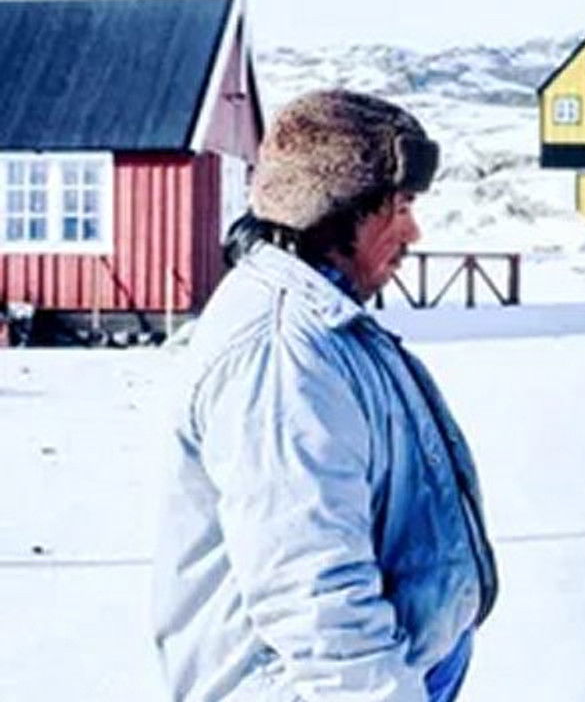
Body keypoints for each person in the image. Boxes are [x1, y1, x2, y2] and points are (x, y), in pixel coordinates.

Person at [152, 89, 498, 701]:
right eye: (400, 206)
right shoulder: (282, 353)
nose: (414, 231)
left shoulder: (323, 322)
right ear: (336, 211)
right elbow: (315, 597)